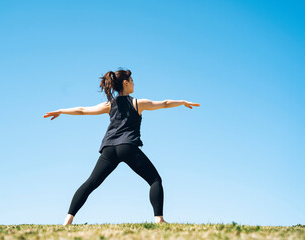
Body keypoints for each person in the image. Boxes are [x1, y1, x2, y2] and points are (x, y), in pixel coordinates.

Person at [43, 68, 200, 225]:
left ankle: (67, 221)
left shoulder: (110, 105)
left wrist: (61, 111)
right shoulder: (138, 103)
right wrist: (183, 102)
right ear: (126, 83)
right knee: (155, 180)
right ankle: (159, 219)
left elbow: (83, 110)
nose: (133, 84)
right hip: (127, 146)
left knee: (90, 183)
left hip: (109, 148)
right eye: (132, 81)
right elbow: (164, 104)